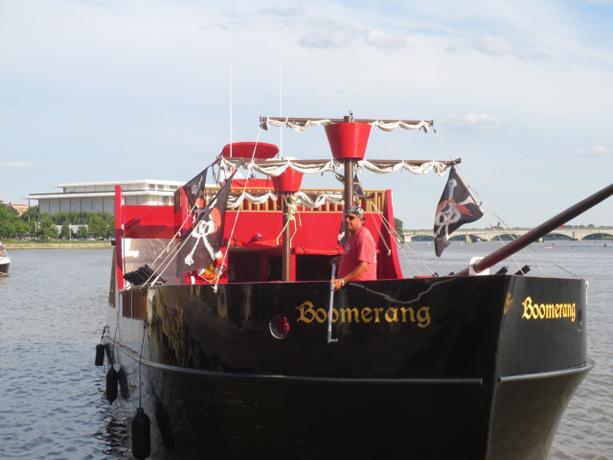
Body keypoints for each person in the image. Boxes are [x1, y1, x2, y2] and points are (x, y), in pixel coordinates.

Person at [332, 205, 377, 290]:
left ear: (362, 220)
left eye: (351, 218)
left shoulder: (363, 237)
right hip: (351, 288)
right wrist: (341, 260)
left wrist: (342, 281)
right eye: (346, 217)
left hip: (360, 290)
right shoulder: (353, 235)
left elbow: (363, 266)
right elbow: (355, 257)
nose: (347, 220)